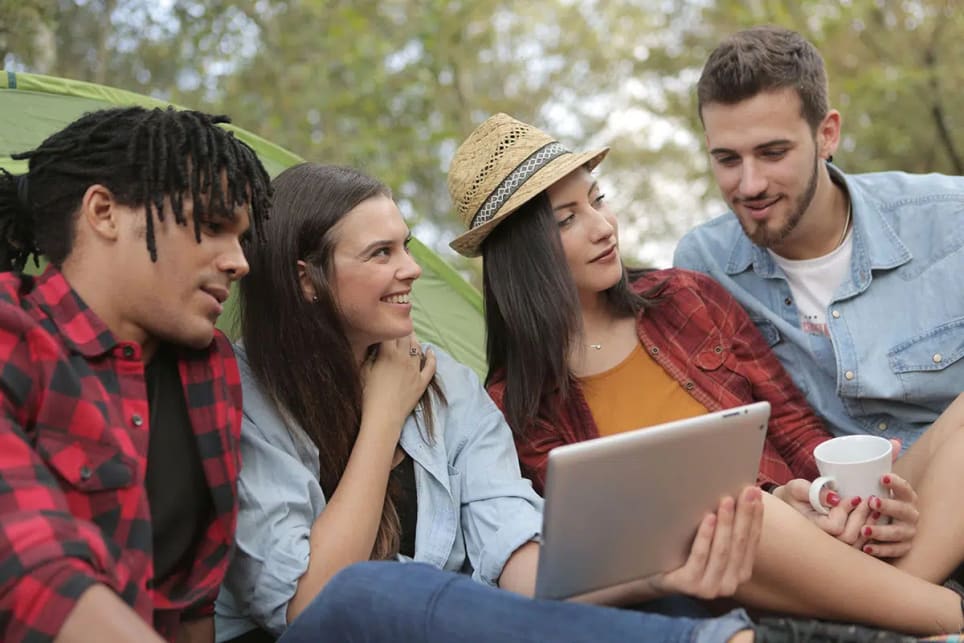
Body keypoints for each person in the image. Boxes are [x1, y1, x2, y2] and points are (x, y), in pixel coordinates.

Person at [445, 112, 964, 635]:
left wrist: (838, 500)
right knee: (739, 511)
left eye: (597, 200)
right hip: (725, 578)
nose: (604, 227)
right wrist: (771, 513)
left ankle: (904, 612)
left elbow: (795, 428)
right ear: (521, 254)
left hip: (815, 531)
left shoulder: (685, 298)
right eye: (567, 219)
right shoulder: (517, 404)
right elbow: (597, 555)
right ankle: (938, 613)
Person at [214, 162, 769, 643]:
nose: (410, 269)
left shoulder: (445, 383)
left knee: (657, 604)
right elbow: (309, 605)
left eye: (404, 246)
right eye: (380, 254)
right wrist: (382, 416)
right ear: (306, 280)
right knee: (381, 589)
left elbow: (512, 549)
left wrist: (655, 578)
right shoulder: (245, 393)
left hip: (449, 627)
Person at [672, 25, 964, 584]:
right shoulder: (702, 264)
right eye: (727, 159)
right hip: (829, 526)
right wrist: (788, 497)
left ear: (826, 134)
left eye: (773, 152)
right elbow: (720, 424)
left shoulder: (949, 221)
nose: (749, 183)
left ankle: (889, 611)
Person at [0, 106, 272, 642]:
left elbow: (191, 600)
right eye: (214, 226)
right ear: (103, 212)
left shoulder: (212, 369)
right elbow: (31, 573)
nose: (239, 262)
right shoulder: (13, 337)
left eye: (241, 239)